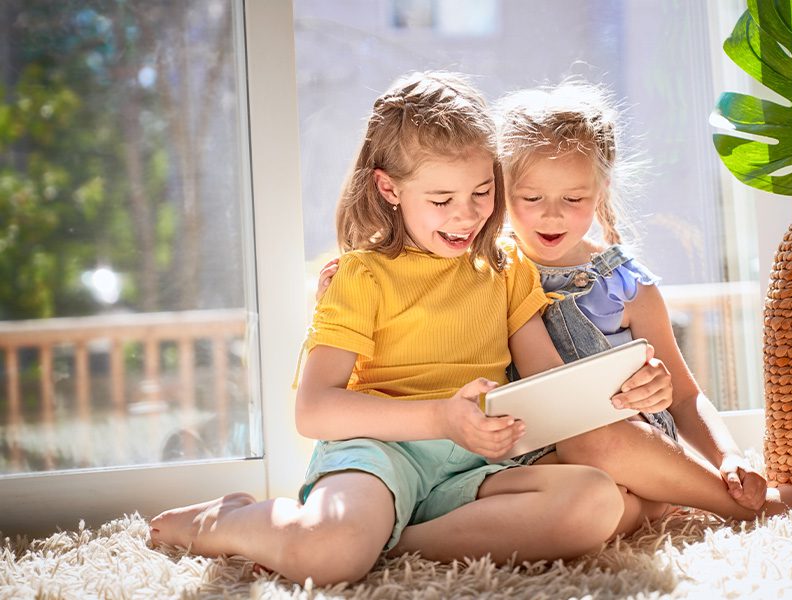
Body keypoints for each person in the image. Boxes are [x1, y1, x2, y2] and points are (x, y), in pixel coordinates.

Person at [149, 72, 662, 586]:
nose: (466, 217)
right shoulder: (362, 274)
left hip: (477, 463)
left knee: (596, 502)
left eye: (483, 192)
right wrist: (442, 418)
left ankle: (387, 539)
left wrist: (631, 386)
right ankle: (229, 518)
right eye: (441, 200)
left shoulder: (508, 269)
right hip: (379, 453)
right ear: (388, 187)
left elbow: (550, 386)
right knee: (326, 556)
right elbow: (314, 410)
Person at [491, 80, 792, 520]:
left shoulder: (626, 283)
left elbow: (685, 398)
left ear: (601, 191)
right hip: (541, 462)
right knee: (606, 501)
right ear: (501, 190)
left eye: (573, 198)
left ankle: (736, 501)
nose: (551, 214)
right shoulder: (487, 275)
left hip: (631, 444)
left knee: (596, 438)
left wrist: (729, 456)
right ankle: (671, 504)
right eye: (531, 197)